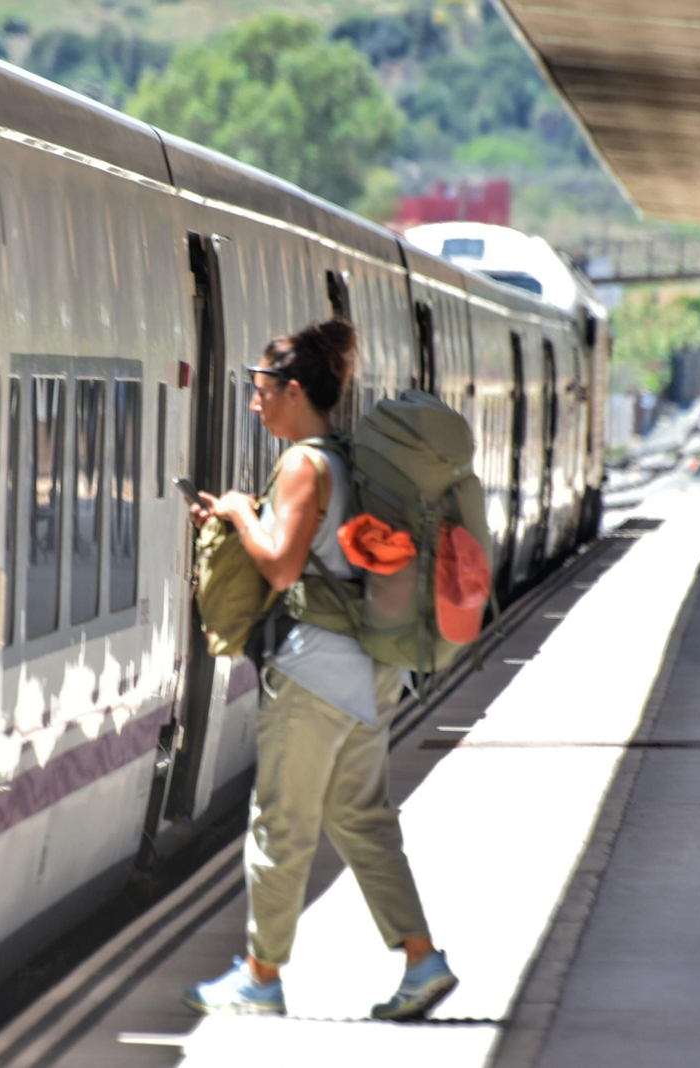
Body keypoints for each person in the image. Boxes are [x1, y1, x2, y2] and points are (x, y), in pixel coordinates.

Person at [182, 319, 457, 1020]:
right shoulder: (344, 456)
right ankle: (422, 961)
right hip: (370, 666)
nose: (255, 403)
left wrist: (242, 512)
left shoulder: (306, 462)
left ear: (293, 390)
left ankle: (260, 976)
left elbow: (279, 562)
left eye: (260, 391)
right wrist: (243, 517)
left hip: (317, 672)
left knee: (281, 820)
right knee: (359, 818)